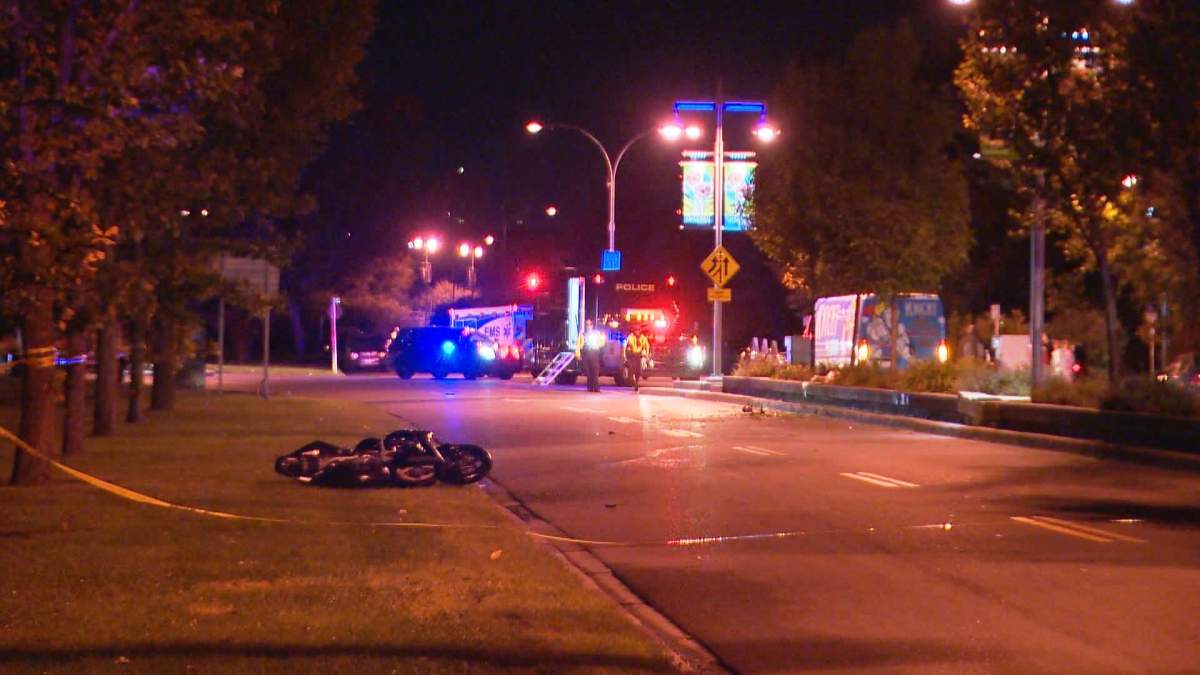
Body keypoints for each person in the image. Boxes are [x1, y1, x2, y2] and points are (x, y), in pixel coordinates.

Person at [575, 318, 605, 392]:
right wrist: (578, 354)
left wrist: (599, 343)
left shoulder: (597, 334)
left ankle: (596, 387)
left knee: (595, 371)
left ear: (592, 326)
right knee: (588, 372)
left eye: (590, 324)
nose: (588, 326)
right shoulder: (582, 335)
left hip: (594, 353)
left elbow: (602, 341)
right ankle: (590, 387)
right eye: (587, 324)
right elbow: (578, 345)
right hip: (586, 354)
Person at [624, 326, 650, 392]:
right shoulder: (630, 338)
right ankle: (634, 383)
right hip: (632, 357)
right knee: (630, 373)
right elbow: (626, 347)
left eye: (638, 330)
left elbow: (646, 347)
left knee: (638, 372)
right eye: (636, 330)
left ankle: (636, 383)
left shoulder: (643, 338)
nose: (637, 331)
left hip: (639, 357)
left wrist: (646, 356)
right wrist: (625, 357)